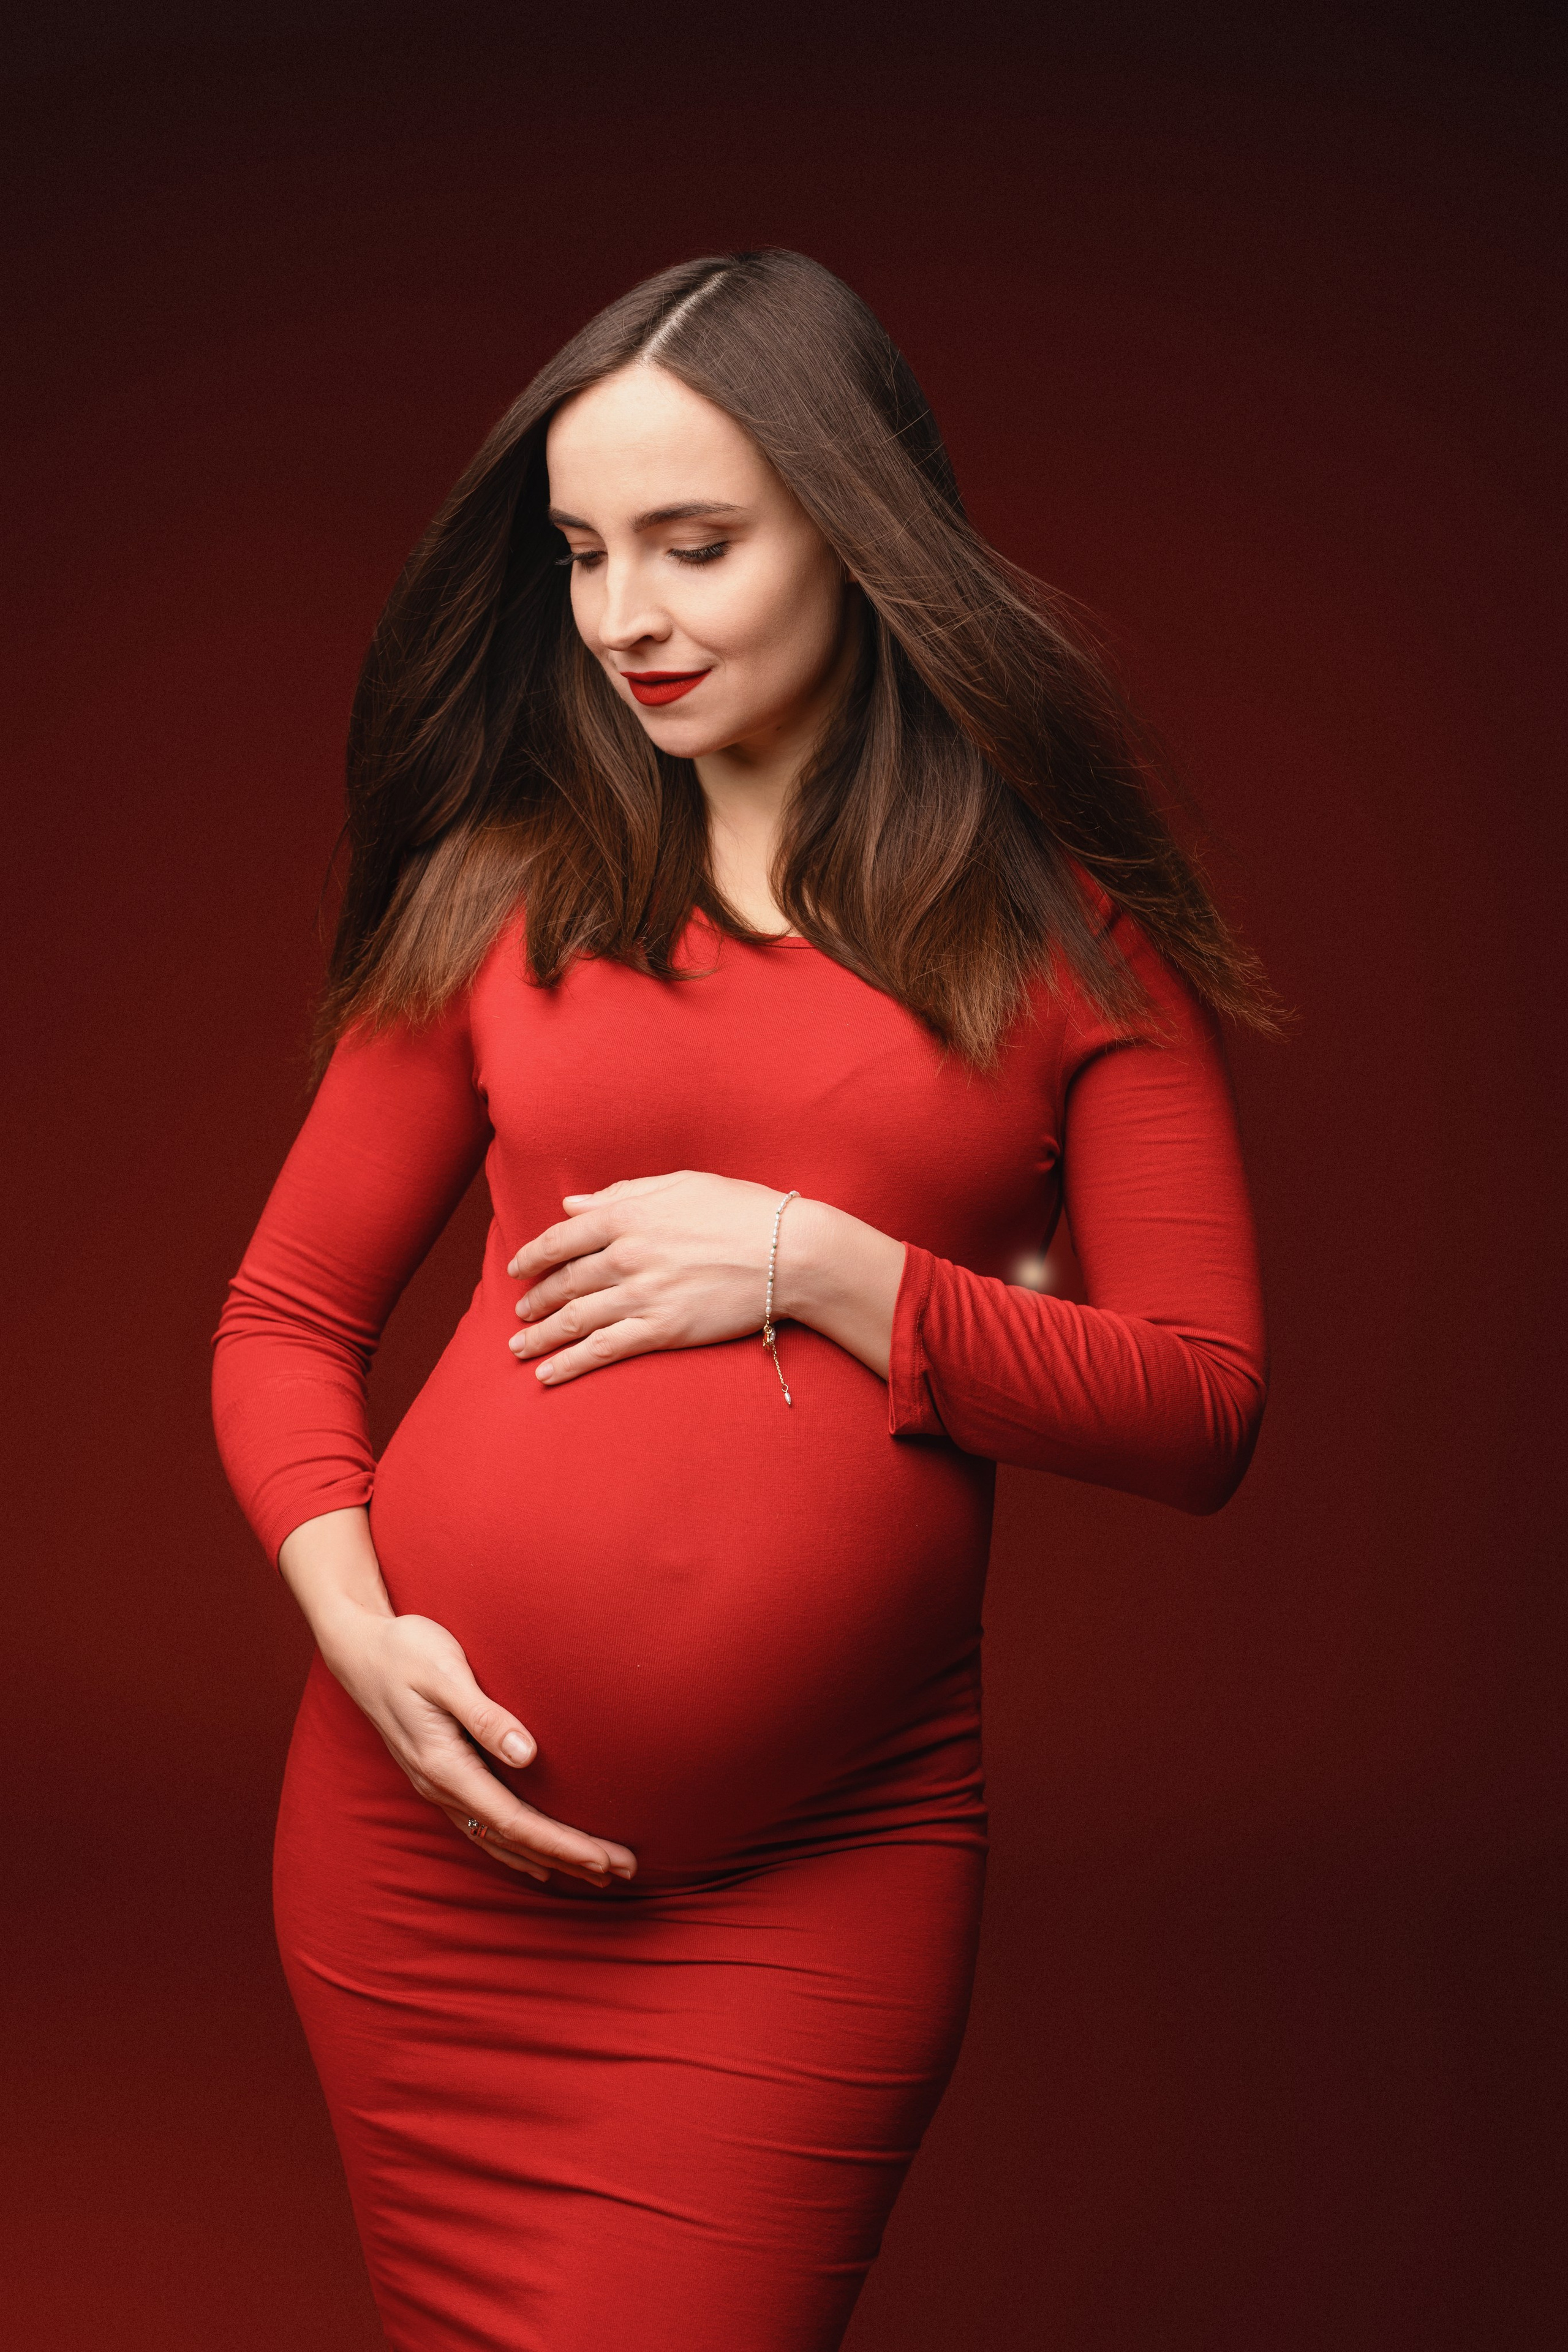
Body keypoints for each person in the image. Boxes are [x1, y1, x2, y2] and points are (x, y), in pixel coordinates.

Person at [211, 247, 1271, 2352]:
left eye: (695, 546)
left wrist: (843, 1275)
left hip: (819, 1882)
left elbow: (1202, 1407)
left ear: (859, 537)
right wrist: (356, 1623)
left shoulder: (1070, 949)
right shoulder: (502, 898)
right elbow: (281, 1316)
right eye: (589, 554)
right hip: (414, 1858)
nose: (627, 618)